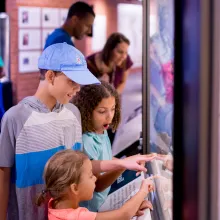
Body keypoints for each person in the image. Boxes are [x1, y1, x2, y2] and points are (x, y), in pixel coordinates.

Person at [0, 42, 156, 220]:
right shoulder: (14, 118)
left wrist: (122, 164)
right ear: (51, 76)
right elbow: (3, 176)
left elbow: (82, 165)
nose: (77, 89)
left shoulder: (73, 114)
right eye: (72, 81)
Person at [72, 81, 156, 211]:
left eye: (113, 109)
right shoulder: (87, 141)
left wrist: (128, 162)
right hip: (94, 209)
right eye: (102, 111)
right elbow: (98, 185)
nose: (109, 116)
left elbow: (106, 158)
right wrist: (122, 165)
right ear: (87, 112)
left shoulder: (101, 130)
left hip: (106, 199)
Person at [36, 149, 154, 220]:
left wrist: (133, 208)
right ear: (75, 188)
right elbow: (123, 214)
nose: (95, 179)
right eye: (91, 175)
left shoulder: (56, 202)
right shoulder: (76, 217)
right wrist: (143, 190)